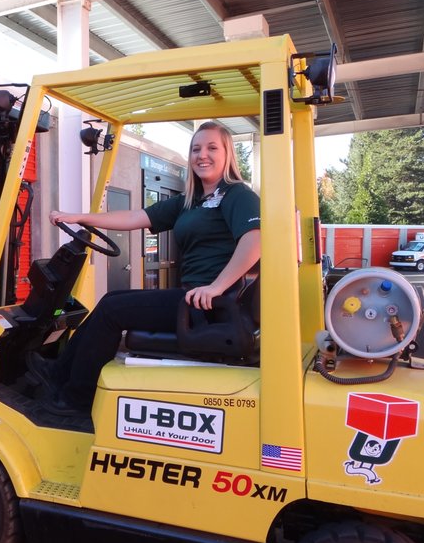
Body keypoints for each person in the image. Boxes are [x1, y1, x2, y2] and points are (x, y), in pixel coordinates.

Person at [30, 121, 261, 417]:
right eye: (196, 149)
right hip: (192, 298)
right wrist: (78, 217)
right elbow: (133, 217)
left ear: (228, 154)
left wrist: (216, 287)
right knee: (111, 300)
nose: (202, 155)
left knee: (112, 311)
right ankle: (58, 372)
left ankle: (77, 398)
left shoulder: (236, 195)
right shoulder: (191, 201)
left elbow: (255, 239)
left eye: (212, 148)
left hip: (207, 305)